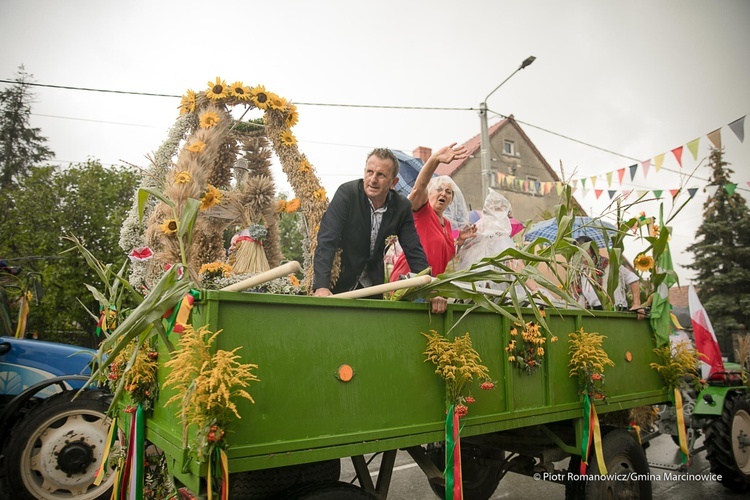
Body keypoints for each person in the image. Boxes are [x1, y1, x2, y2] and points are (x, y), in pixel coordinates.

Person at [313, 148, 429, 296]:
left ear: (393, 182)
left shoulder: (402, 207)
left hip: (373, 288)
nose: (373, 179)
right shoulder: (346, 194)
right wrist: (321, 286)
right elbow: (327, 240)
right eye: (370, 172)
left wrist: (430, 290)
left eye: (381, 175)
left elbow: (414, 251)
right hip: (338, 286)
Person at [388, 144, 476, 313]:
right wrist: (434, 160)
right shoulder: (422, 210)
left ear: (451, 199)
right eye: (439, 189)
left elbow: (440, 254)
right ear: (429, 193)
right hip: (410, 283)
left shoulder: (448, 225)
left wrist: (460, 241)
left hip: (430, 288)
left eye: (448, 192)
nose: (443, 194)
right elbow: (419, 186)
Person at [574, 235, 645, 319]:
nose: (582, 251)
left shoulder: (610, 265)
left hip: (615, 311)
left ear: (592, 249)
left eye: (585, 247)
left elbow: (633, 278)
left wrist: (637, 304)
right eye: (578, 249)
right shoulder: (582, 271)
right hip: (595, 313)